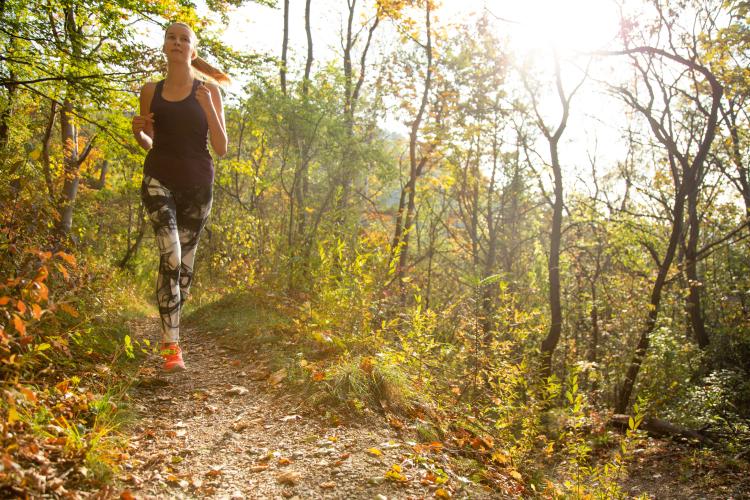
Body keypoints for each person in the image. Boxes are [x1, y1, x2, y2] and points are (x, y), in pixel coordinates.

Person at [131, 22, 229, 371]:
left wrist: (210, 110)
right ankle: (171, 346)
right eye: (171, 37)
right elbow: (150, 142)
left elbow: (221, 147)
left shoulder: (208, 91)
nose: (177, 42)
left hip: (198, 185)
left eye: (184, 38)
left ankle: (172, 330)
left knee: (183, 268)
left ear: (193, 50)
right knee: (170, 255)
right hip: (159, 179)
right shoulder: (149, 90)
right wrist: (139, 134)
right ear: (164, 46)